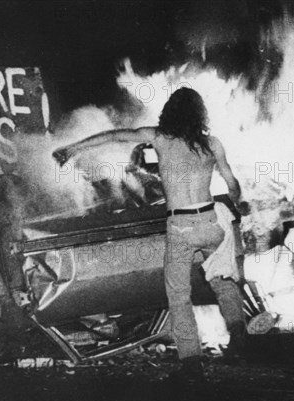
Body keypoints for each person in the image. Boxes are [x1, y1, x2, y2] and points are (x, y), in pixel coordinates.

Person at [53, 88, 246, 381]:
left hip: (181, 227)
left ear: (170, 112)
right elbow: (232, 185)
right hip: (211, 221)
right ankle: (242, 341)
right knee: (223, 281)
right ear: (200, 113)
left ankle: (192, 363)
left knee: (179, 296)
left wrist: (73, 148)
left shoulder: (159, 138)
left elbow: (115, 135)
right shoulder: (212, 144)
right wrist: (238, 203)